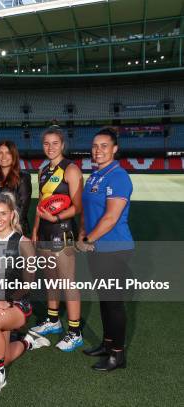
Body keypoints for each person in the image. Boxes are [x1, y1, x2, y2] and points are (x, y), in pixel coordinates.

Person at [0, 193, 50, 396]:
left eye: (3, 213)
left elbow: (29, 282)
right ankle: (27, 342)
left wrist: (6, 302)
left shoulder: (23, 242)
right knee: (4, 354)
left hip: (17, 305)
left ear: (12, 215)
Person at [78, 127, 134, 371]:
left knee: (113, 302)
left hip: (114, 248)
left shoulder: (118, 176)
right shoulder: (95, 175)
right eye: (94, 146)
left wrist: (88, 239)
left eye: (103, 146)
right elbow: (88, 210)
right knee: (104, 299)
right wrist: (83, 232)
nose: (97, 150)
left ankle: (118, 355)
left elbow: (111, 218)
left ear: (114, 149)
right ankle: (107, 343)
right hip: (97, 248)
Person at [30, 126, 84, 352]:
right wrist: (35, 229)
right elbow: (41, 204)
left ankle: (75, 332)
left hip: (62, 231)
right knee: (51, 278)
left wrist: (56, 216)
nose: (50, 147)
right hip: (44, 232)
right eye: (46, 143)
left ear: (62, 145)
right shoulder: (43, 170)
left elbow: (78, 206)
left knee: (67, 282)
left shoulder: (71, 169)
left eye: (54, 143)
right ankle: (53, 320)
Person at [0, 140, 32, 237]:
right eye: (0, 153)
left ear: (14, 156)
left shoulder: (23, 178)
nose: (3, 156)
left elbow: (22, 211)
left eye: (8, 153)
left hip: (14, 232)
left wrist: (5, 231)